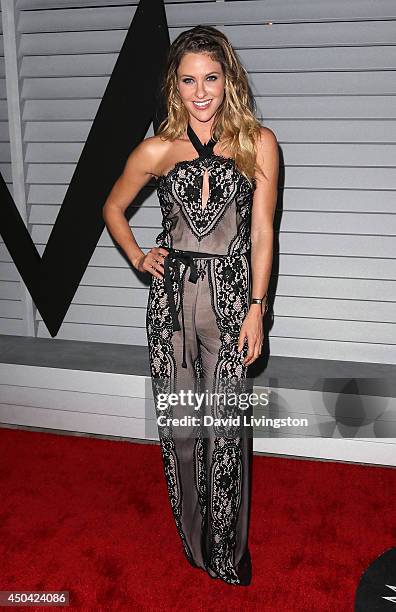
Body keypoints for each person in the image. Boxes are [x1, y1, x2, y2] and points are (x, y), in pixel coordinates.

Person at [103, 25, 279, 586]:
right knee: (181, 426)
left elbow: (262, 233)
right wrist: (138, 256)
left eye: (211, 78)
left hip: (230, 300)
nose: (200, 91)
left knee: (225, 426)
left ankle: (228, 551)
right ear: (174, 86)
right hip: (172, 302)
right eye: (188, 80)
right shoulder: (157, 149)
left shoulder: (258, 143)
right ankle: (195, 542)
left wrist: (257, 307)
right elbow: (112, 207)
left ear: (229, 79)